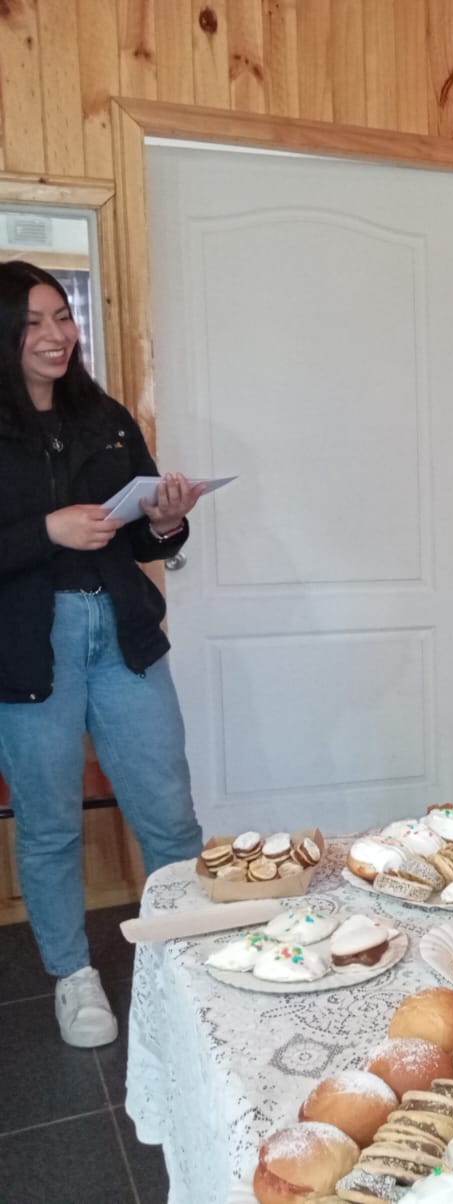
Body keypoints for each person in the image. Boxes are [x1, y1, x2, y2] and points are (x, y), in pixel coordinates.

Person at [0, 261, 204, 1046]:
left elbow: (147, 530)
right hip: (26, 645)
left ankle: (181, 960)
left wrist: (165, 517)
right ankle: (72, 976)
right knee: (49, 823)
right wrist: (44, 531)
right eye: (32, 324)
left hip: (121, 632)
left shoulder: (105, 413)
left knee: (169, 814)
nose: (54, 337)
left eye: (61, 317)